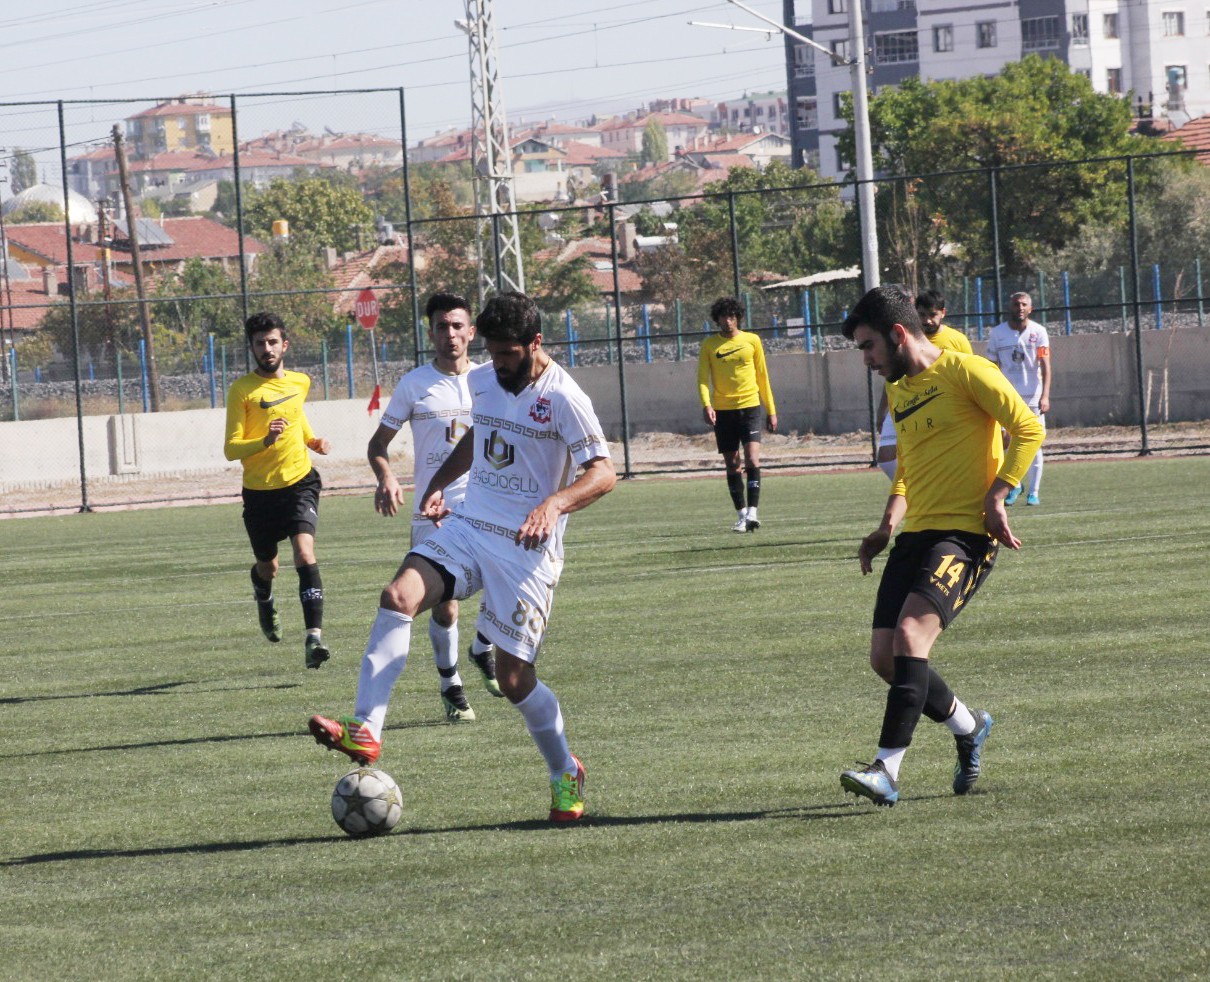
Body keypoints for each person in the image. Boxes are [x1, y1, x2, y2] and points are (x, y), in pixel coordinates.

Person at [308, 291, 616, 823]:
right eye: (493, 353)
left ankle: (564, 769)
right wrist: (439, 482)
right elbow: (480, 436)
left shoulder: (565, 397)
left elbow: (604, 473)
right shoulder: (482, 381)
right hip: (471, 525)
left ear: (535, 344)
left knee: (515, 678)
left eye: (508, 355)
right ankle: (366, 731)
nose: (497, 365)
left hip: (526, 551)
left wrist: (553, 504)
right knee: (397, 595)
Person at [838, 285, 1044, 807]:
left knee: (911, 636)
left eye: (868, 346)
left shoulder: (965, 370)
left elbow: (1027, 427)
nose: (865, 359)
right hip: (916, 534)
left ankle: (886, 770)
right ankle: (970, 726)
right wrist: (886, 526)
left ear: (898, 334)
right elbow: (908, 468)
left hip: (967, 535)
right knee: (885, 660)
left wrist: (1000, 494)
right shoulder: (901, 391)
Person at [367, 292, 502, 723]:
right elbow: (378, 445)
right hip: (433, 510)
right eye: (442, 327)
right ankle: (451, 686)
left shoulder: (490, 380)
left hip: (483, 504)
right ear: (431, 332)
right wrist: (386, 476)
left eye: (458, 326)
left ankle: (483, 647)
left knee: (506, 575)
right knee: (444, 604)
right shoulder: (414, 384)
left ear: (472, 332)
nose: (450, 335)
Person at [224, 311, 332, 669]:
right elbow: (231, 448)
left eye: (273, 342)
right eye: (260, 343)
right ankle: (263, 595)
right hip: (259, 493)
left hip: (300, 482)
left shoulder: (300, 381)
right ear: (252, 347)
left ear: (284, 344)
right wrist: (265, 440)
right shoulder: (242, 390)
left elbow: (296, 416)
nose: (267, 348)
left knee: (304, 554)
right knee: (268, 567)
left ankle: (313, 638)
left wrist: (311, 439)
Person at [696, 296, 778, 532]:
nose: (728, 321)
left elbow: (763, 377)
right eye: (724, 316)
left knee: (752, 459)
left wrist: (771, 410)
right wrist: (707, 404)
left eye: (732, 316)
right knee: (732, 464)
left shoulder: (752, 341)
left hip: (750, 407)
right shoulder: (710, 345)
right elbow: (702, 379)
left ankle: (753, 512)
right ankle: (742, 514)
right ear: (717, 319)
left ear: (738, 318)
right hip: (723, 411)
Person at [874, 289, 973, 480]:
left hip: (941, 405)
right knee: (886, 458)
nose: (927, 320)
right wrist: (882, 411)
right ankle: (915, 493)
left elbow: (968, 374)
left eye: (932, 315)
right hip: (903, 403)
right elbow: (892, 376)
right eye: (922, 315)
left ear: (943, 313)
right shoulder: (904, 338)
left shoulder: (957, 340)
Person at [986, 292, 1051, 506]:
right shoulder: (997, 334)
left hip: (1033, 399)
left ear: (1030, 309)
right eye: (1016, 304)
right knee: (1006, 443)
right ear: (1009, 307)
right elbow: (993, 368)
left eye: (1024, 304)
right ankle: (1014, 485)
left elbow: (1045, 365)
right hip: (1008, 398)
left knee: (1035, 443)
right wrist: (995, 396)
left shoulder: (1039, 332)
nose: (1020, 308)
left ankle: (1034, 491)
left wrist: (1045, 395)